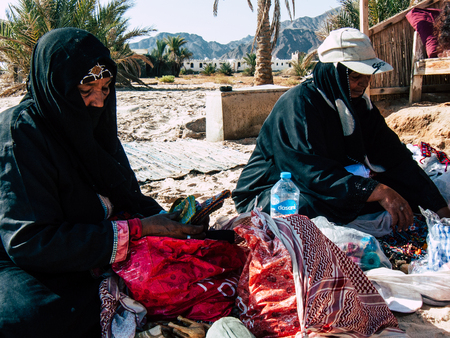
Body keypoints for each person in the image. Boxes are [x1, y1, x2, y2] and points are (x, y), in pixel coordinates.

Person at [0, 28, 207, 337]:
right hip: (29, 261)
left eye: (106, 88)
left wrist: (173, 221)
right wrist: (140, 229)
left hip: (93, 249)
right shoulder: (20, 135)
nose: (98, 102)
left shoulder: (91, 125)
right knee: (35, 314)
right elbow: (30, 241)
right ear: (57, 87)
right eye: (86, 91)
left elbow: (125, 195)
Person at [232, 28, 450, 236]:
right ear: (333, 72)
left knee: (405, 193)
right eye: (355, 76)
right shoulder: (298, 105)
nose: (362, 84)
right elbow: (310, 173)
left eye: (367, 76)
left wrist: (441, 210)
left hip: (328, 181)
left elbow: (396, 158)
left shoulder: (360, 105)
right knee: (310, 210)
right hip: (273, 191)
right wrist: (376, 191)